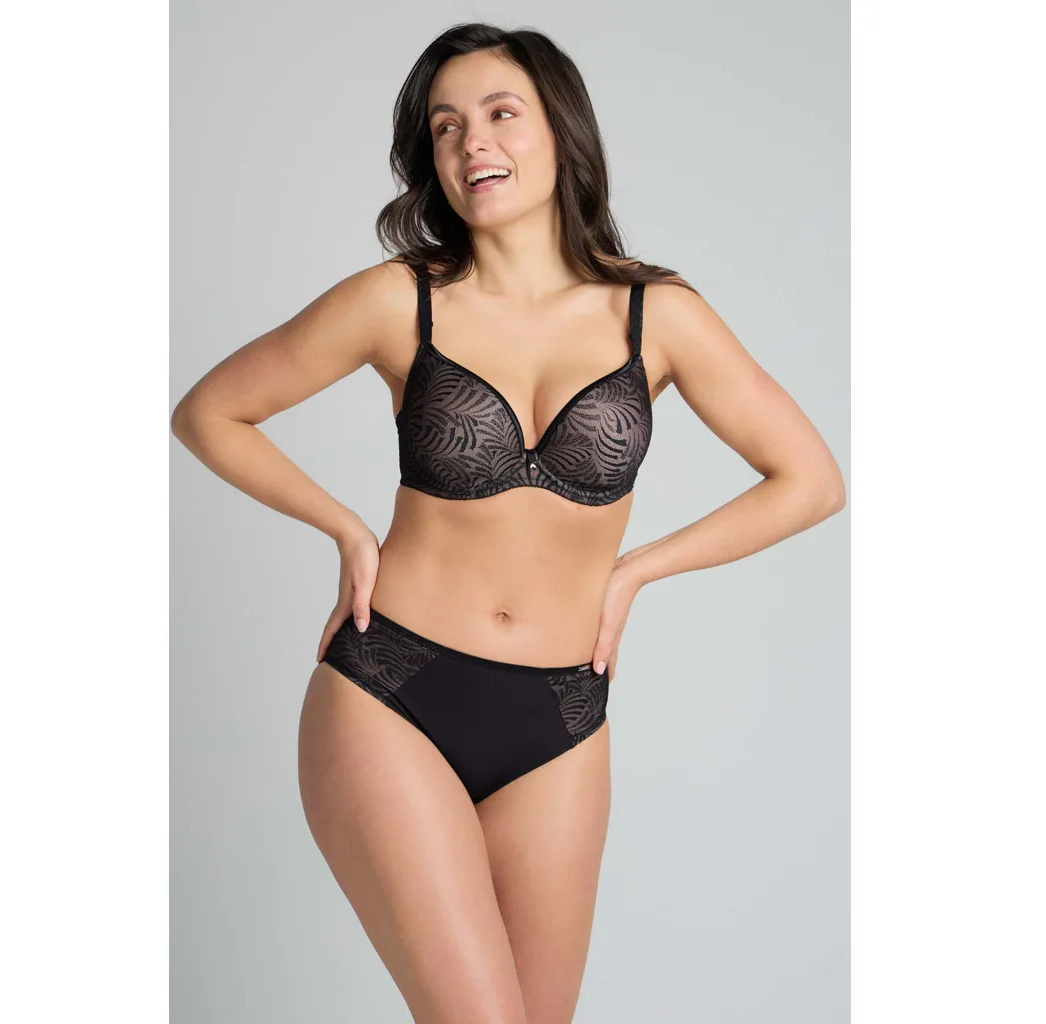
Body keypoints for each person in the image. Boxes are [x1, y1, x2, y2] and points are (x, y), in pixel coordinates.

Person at [171, 22, 845, 1024]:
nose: (471, 142)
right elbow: (209, 413)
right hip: (391, 690)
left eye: (499, 113)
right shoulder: (398, 301)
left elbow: (811, 481)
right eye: (446, 126)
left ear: (561, 130)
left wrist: (635, 571)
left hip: (561, 718)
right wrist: (346, 530)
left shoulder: (657, 315)